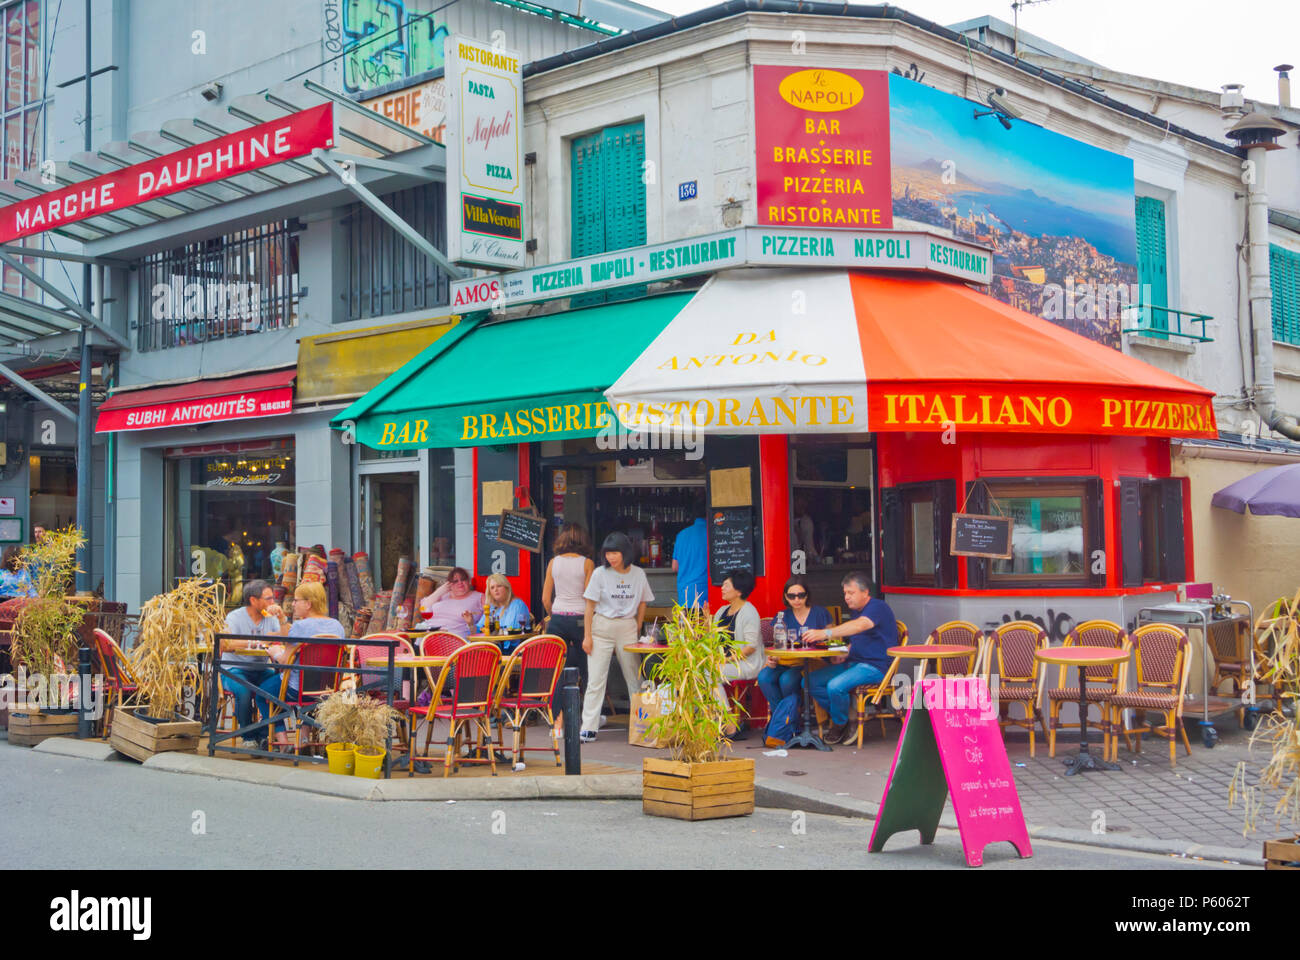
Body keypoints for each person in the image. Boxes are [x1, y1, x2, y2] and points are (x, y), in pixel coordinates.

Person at [801, 572, 897, 745]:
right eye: (845, 593)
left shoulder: (877, 607)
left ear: (866, 592)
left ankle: (839, 723)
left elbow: (860, 626)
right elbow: (860, 639)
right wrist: (845, 652)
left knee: (835, 687)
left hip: (876, 667)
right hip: (854, 663)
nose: (846, 597)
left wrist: (825, 633)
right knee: (809, 681)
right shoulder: (856, 611)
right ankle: (848, 715)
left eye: (851, 593)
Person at [252, 582, 346, 749]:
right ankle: (303, 739)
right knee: (303, 693)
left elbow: (285, 660)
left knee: (264, 694)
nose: (293, 604)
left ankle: (282, 742)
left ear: (308, 604)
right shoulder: (336, 626)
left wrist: (274, 653)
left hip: (297, 689)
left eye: (296, 600)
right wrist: (282, 620)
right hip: (327, 689)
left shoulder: (300, 626)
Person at [580, 532, 653, 742]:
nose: (611, 557)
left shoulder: (638, 574)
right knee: (596, 678)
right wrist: (587, 636)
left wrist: (637, 627)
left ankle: (643, 724)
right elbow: (589, 606)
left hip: (627, 627)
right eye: (608, 553)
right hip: (602, 625)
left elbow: (643, 602)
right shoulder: (599, 574)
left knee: (634, 677)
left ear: (625, 552)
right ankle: (589, 727)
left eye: (615, 553)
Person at [756, 576, 832, 710]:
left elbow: (832, 638)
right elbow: (777, 644)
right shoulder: (782, 616)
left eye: (801, 595)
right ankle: (783, 718)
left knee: (787, 680)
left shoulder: (820, 613)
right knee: (764, 677)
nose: (796, 600)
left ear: (807, 595)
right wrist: (773, 658)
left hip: (811, 662)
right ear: (786, 596)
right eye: (792, 596)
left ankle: (789, 718)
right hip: (786, 661)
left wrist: (822, 638)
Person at [220, 580, 281, 739]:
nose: (272, 602)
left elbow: (284, 638)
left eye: (273, 598)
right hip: (234, 669)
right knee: (243, 691)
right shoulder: (235, 617)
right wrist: (252, 642)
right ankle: (248, 737)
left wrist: (282, 619)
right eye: (268, 598)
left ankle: (263, 735)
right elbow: (225, 644)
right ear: (253, 600)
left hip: (261, 669)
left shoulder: (271, 618)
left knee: (280, 688)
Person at [542, 524, 594, 697]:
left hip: (558, 618)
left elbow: (545, 599)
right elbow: (589, 598)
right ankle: (588, 714)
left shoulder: (553, 563)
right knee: (587, 667)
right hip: (580, 618)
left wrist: (554, 616)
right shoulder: (587, 563)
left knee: (557, 667)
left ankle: (558, 715)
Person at [713, 569, 764, 738]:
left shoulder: (749, 612)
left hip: (746, 663)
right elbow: (713, 640)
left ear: (739, 591)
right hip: (724, 662)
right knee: (695, 671)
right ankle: (713, 721)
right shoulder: (721, 612)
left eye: (726, 585)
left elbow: (750, 647)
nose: (722, 588)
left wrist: (725, 660)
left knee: (710, 672)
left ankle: (728, 723)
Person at [462, 573, 532, 652]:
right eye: (492, 588)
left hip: (510, 652)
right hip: (492, 648)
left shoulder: (517, 605)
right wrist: (471, 624)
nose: (496, 590)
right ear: (490, 592)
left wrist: (487, 634)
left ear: (506, 588)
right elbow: (478, 630)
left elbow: (510, 634)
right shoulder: (492, 608)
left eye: (499, 586)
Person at [417, 567, 483, 638]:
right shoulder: (442, 595)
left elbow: (491, 614)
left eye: (463, 579)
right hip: (428, 637)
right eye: (455, 581)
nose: (460, 583)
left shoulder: (478, 597)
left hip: (454, 641)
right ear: (449, 584)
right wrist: (439, 592)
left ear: (469, 581)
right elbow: (423, 609)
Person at [670, 516, 708, 608]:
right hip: (708, 595)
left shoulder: (681, 535)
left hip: (686, 595)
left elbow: (675, 567)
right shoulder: (713, 533)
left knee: (688, 622)